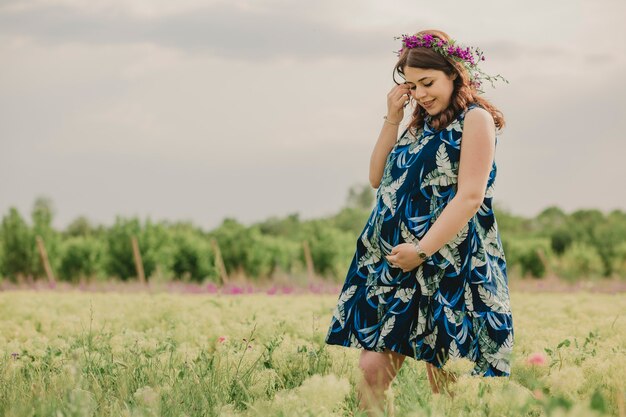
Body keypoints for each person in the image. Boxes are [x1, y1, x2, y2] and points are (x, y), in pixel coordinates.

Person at [324, 29, 514, 416]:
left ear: (454, 74)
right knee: (371, 371)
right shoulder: (416, 125)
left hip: (447, 260)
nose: (422, 94)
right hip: (395, 264)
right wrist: (392, 118)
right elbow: (377, 178)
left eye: (428, 83)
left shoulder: (474, 119)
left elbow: (470, 197)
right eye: (412, 86)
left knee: (445, 380)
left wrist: (423, 250)